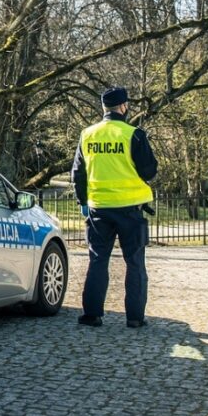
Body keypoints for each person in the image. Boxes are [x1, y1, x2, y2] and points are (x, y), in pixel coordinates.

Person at [71, 86, 158, 328]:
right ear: (123, 107)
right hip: (130, 208)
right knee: (134, 262)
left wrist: (83, 202)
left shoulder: (88, 135)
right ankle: (135, 317)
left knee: (98, 259)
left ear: (103, 108)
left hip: (99, 208)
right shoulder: (134, 135)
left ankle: (92, 314)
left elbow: (78, 173)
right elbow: (149, 171)